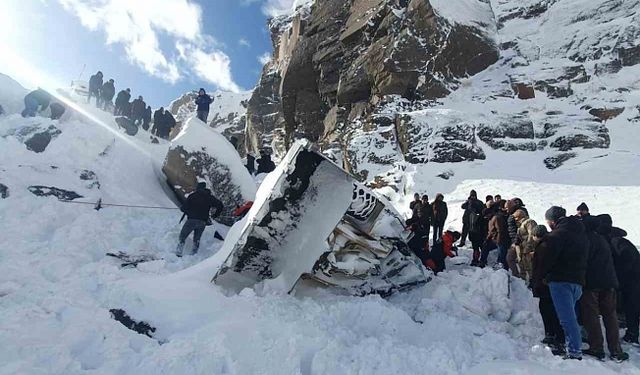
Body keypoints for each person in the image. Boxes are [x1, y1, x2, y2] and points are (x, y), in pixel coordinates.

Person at [579, 215, 628, 361]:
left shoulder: (584, 240)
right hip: (609, 282)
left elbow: (583, 262)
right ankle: (616, 350)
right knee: (610, 315)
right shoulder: (603, 239)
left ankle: (597, 347)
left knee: (592, 315)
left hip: (592, 283)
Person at [542, 206, 589, 360]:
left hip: (561, 280)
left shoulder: (557, 236)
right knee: (572, 316)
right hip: (578, 280)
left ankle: (575, 351)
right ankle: (573, 346)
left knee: (567, 319)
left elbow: (548, 259)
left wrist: (542, 276)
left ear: (553, 221)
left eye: (548, 221)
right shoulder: (580, 233)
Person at [597, 214, 640, 346]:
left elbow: (628, 258)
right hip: (629, 280)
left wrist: (620, 275)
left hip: (632, 280)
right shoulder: (612, 239)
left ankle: (632, 335)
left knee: (632, 306)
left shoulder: (617, 241)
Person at [530, 225, 566, 356]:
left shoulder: (545, 246)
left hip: (546, 283)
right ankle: (550, 334)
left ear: (536, 236)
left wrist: (538, 281)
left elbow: (542, 267)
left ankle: (557, 337)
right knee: (547, 309)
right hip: (546, 284)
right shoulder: (547, 244)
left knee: (550, 311)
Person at [176, 182, 224, 256]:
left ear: (198, 188)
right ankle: (193, 255)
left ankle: (179, 252)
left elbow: (183, 208)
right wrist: (215, 215)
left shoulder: (193, 196)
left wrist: (187, 210)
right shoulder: (209, 197)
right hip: (202, 222)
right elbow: (220, 205)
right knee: (197, 239)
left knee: (182, 236)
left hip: (191, 220)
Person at [485, 200, 510, 269]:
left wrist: (498, 240)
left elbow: (500, 230)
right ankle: (502, 266)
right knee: (500, 253)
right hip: (497, 239)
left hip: (501, 239)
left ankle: (503, 268)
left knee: (502, 254)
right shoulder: (492, 219)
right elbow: (491, 231)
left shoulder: (496, 218)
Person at [506, 198, 529, 275]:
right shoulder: (513, 213)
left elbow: (520, 229)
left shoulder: (518, 213)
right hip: (516, 240)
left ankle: (520, 276)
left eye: (507, 208)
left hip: (518, 241)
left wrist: (516, 241)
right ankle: (520, 275)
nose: (506, 209)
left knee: (515, 259)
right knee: (517, 259)